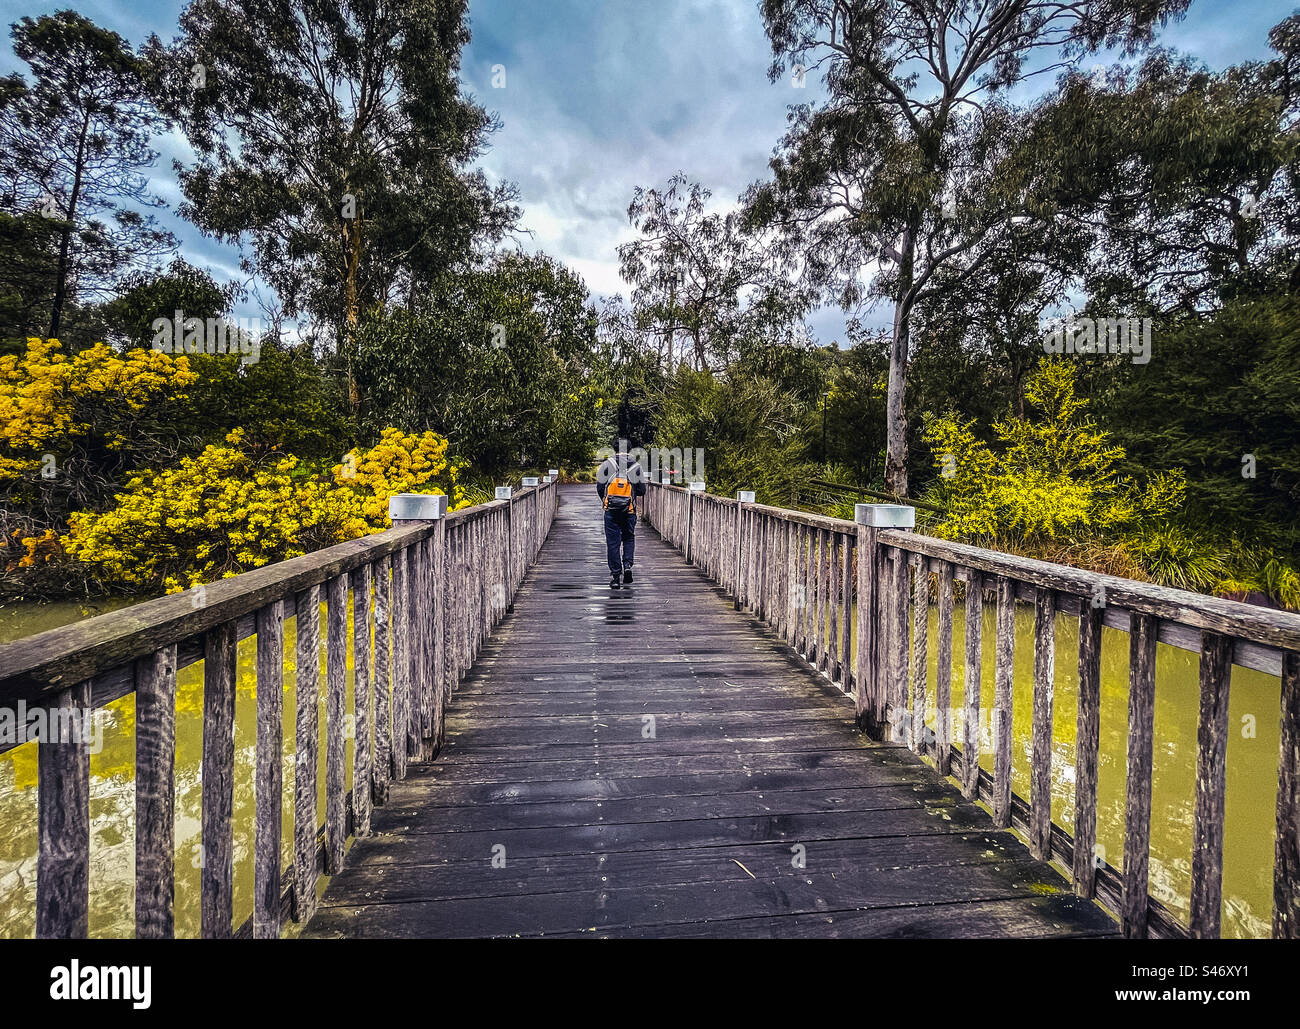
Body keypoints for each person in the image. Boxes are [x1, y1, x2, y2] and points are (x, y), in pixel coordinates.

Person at [596, 445, 647, 587]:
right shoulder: (636, 466)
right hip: (629, 511)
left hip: (611, 511)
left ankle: (615, 577)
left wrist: (607, 502)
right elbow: (642, 491)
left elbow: (600, 488)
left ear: (614, 449)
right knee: (628, 538)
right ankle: (628, 566)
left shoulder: (607, 464)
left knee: (613, 543)